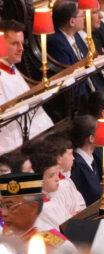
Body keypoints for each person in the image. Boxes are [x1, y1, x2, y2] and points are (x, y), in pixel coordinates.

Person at [0, 20, 54, 154]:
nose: (21, 49)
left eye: (22, 43)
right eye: (15, 44)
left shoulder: (11, 67)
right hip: (14, 147)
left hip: (38, 134)